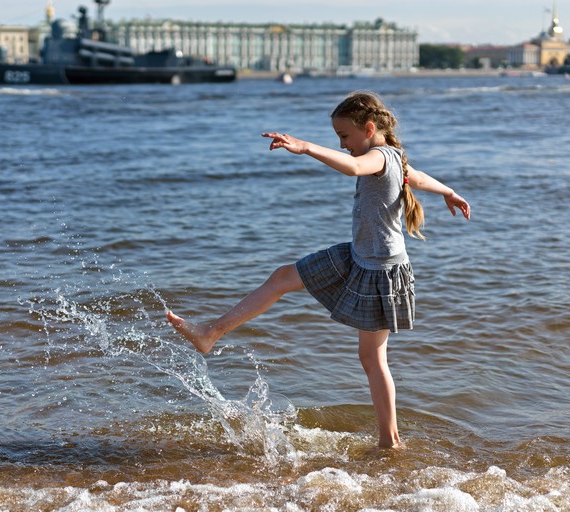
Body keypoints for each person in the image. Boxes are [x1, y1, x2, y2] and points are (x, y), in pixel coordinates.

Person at [166, 91, 471, 448]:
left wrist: (306, 147)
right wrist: (449, 191)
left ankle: (390, 442)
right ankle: (211, 333)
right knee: (282, 278)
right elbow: (415, 177)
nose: (342, 145)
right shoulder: (394, 158)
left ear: (369, 128)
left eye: (344, 136)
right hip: (357, 256)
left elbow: (358, 167)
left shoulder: (379, 156)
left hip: (380, 271)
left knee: (373, 358)